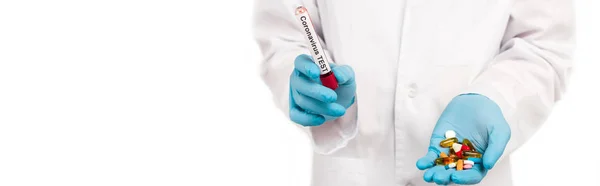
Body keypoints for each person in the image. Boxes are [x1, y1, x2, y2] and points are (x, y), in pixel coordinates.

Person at [252, 0, 575, 185]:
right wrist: (302, 81)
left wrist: (496, 99)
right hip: (351, 171)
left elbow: (544, 44)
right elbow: (284, 30)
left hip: (468, 164)